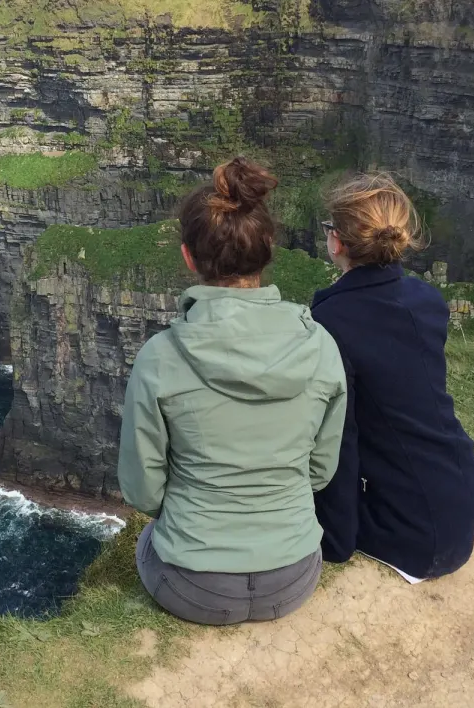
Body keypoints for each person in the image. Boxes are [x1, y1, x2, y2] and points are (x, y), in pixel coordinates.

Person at [119, 156, 348, 625]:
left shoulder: (159, 358)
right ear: (268, 251)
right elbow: (321, 472)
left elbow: (143, 490)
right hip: (295, 575)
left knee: (148, 543)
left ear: (188, 256)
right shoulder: (321, 346)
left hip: (193, 586)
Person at [311, 172, 474, 581]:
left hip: (411, 533)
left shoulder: (330, 320)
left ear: (337, 241)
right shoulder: (427, 300)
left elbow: (341, 440)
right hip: (459, 495)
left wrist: (336, 540)